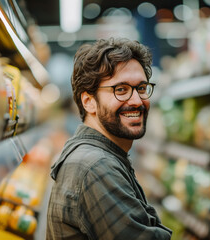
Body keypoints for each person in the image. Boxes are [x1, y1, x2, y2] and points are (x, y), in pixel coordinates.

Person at [46, 38, 172, 240]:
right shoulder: (94, 166)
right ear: (89, 102)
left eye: (141, 88)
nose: (137, 100)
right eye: (120, 89)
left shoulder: (101, 156)